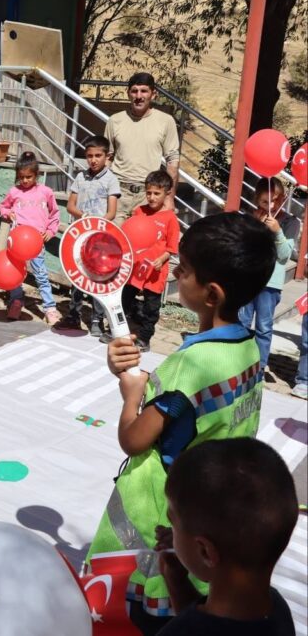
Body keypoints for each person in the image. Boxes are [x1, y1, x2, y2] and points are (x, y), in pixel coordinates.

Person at [86, 212, 276, 629]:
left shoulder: (187, 366)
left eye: (184, 269)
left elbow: (134, 439)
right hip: (212, 512)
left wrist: (131, 395)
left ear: (211, 294)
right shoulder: (249, 348)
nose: (175, 273)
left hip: (161, 513)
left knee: (141, 614)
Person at [154, 438, 298, 635]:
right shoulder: (276, 609)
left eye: (173, 523)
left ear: (205, 552)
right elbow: (209, 625)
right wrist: (176, 581)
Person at [238, 178, 301, 371]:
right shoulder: (250, 217)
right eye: (265, 202)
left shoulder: (290, 222)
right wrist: (255, 228)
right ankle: (237, 361)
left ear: (283, 198)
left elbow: (284, 255)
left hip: (270, 283)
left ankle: (260, 365)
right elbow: (242, 248)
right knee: (242, 322)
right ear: (257, 200)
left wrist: (277, 231)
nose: (271, 206)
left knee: (264, 327)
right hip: (248, 279)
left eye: (275, 200)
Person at [63, 136, 120, 335]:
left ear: (107, 156)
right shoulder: (80, 177)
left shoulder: (111, 180)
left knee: (98, 278)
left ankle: (97, 319)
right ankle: (73, 315)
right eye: (89, 156)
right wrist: (84, 217)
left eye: (98, 155)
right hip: (80, 236)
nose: (93, 160)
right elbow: (70, 206)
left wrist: (96, 225)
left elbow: (111, 212)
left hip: (100, 239)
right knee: (78, 277)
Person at [103, 72, 180, 217]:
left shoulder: (166, 121)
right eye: (134, 91)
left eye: (144, 91)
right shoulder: (114, 120)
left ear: (153, 94)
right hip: (117, 193)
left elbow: (172, 162)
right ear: (128, 93)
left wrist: (169, 198)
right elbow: (107, 158)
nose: (139, 96)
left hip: (148, 195)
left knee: (143, 232)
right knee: (113, 232)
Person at [0, 152, 61, 324]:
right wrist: (7, 213)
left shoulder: (46, 192)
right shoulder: (14, 192)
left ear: (36, 174)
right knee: (15, 272)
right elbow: (2, 207)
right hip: (17, 241)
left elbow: (55, 214)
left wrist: (51, 231)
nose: (25, 180)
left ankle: (50, 308)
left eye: (29, 177)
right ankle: (16, 301)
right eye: (22, 177)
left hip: (36, 242)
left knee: (41, 274)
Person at [120, 171, 180, 351]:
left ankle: (144, 338)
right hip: (136, 268)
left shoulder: (170, 219)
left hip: (155, 272)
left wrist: (161, 260)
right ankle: (117, 331)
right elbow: (130, 235)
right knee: (124, 300)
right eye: (148, 193)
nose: (152, 197)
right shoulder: (139, 211)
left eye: (157, 193)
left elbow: (171, 248)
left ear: (167, 193)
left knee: (151, 307)